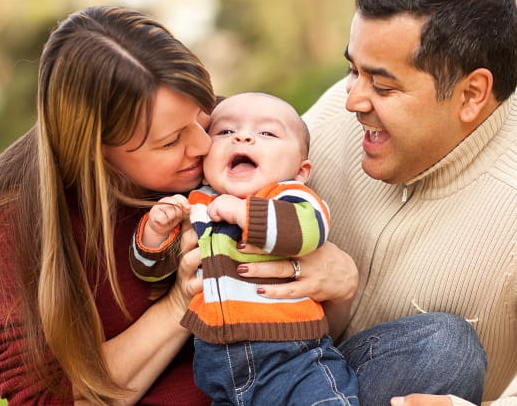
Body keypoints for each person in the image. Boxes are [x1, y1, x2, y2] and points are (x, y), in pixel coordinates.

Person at [236, 0, 517, 405]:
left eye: (383, 86)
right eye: (352, 70)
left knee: (444, 351)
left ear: (471, 94)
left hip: (362, 382)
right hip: (256, 360)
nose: (352, 99)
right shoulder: (340, 112)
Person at [0, 5, 220, 404]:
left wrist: (338, 278)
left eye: (200, 114)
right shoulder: (16, 216)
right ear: (95, 154)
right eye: (171, 141)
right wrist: (181, 301)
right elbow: (45, 398)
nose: (205, 144)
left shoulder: (232, 132)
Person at [129, 92, 358, 405]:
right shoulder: (195, 204)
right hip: (218, 371)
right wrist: (155, 233)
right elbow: (153, 273)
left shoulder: (290, 196)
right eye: (224, 132)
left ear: (301, 170)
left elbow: (308, 232)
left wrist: (243, 213)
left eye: (267, 133)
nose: (243, 137)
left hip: (294, 359)